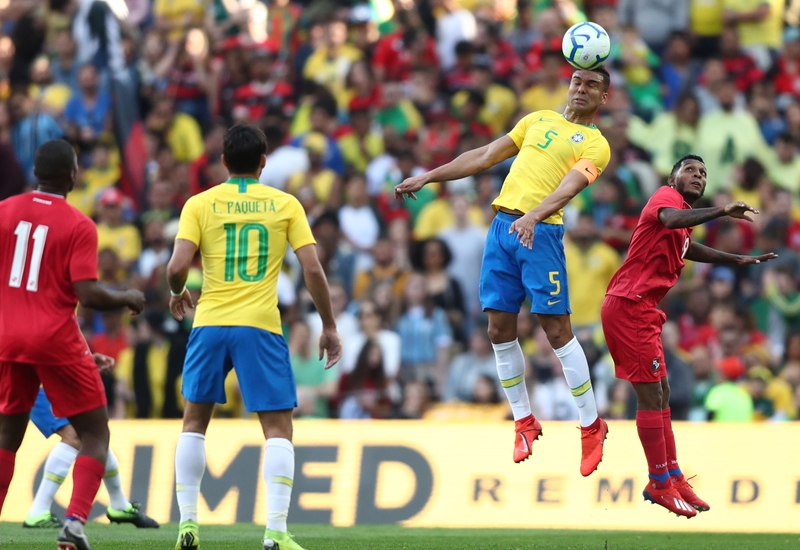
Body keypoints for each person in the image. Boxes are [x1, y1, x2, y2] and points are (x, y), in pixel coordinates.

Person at [396, 66, 612, 474]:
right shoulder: (537, 119)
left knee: (556, 330)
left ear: (604, 97)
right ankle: (524, 421)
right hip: (502, 229)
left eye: (592, 85)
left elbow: (569, 188)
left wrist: (533, 216)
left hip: (540, 232)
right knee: (497, 328)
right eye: (577, 81)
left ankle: (590, 426)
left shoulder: (596, 145)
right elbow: (483, 156)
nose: (581, 89)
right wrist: (428, 177)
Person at [166, 124, 342, 550]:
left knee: (194, 424)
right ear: (264, 161)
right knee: (278, 429)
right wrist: (329, 325)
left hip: (209, 323)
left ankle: (188, 525)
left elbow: (176, 268)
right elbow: (312, 269)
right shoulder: (285, 204)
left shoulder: (199, 203)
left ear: (223, 161)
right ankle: (275, 532)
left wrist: (177, 291)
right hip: (259, 325)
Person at [600, 154, 777, 518]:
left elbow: (686, 246)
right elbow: (670, 219)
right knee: (650, 395)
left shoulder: (682, 219)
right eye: (690, 170)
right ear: (673, 178)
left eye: (703, 173)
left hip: (643, 308)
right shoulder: (666, 198)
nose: (698, 175)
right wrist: (722, 210)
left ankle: (673, 475)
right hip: (629, 305)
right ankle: (658, 481)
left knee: (662, 392)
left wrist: (735, 259)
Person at [0, 139, 145, 550]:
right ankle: (75, 524)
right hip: (55, 341)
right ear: (73, 176)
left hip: (7, 338)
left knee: (7, 438)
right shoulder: (79, 225)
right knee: (95, 433)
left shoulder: (4, 211)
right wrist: (127, 296)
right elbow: (88, 294)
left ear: (35, 172)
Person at [23, 362, 158, 529]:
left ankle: (119, 505)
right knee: (75, 436)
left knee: (95, 436)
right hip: (38, 381)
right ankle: (38, 511)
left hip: (61, 379)